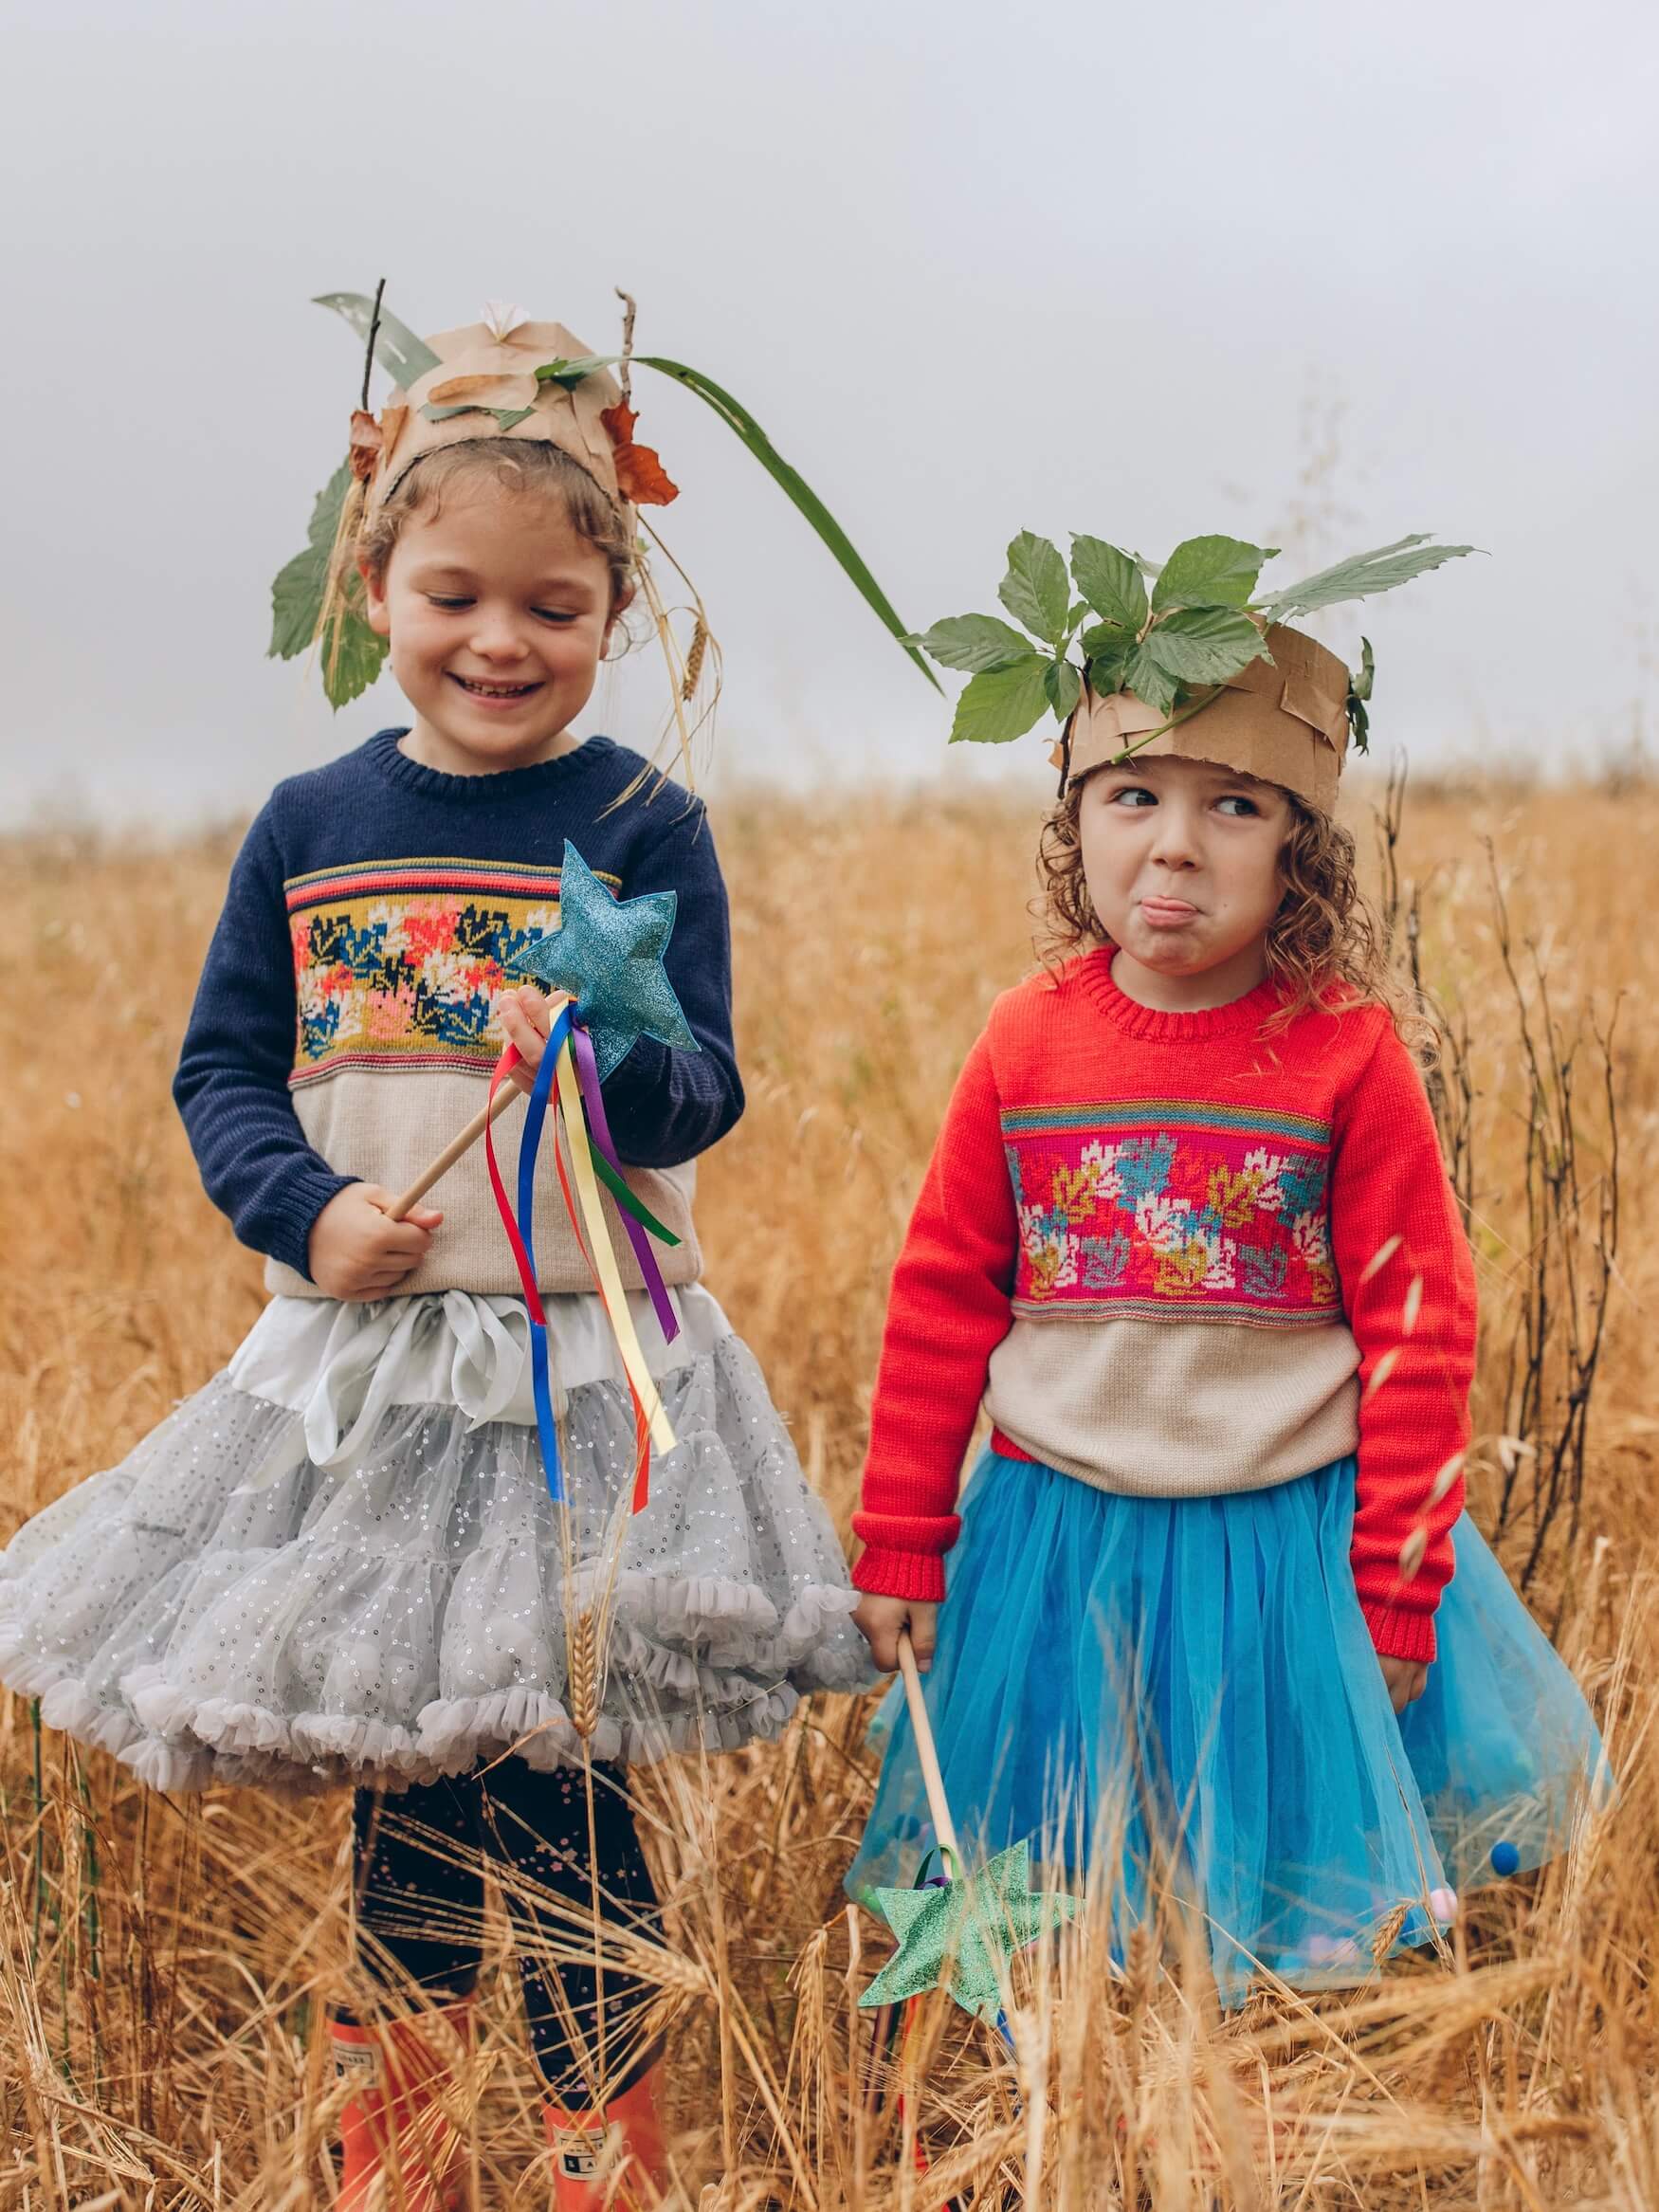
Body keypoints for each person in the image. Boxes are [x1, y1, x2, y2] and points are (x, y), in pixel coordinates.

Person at [0, 302, 884, 2208]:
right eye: (455, 595)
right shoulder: (314, 827)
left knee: (565, 1788)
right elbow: (225, 1064)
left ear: (611, 611)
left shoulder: (644, 821)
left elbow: (697, 1085)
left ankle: (598, 2159)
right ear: (372, 583)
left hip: (582, 1366)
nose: (502, 642)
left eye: (554, 609)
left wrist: (613, 1034)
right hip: (368, 1378)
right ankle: (385, 2160)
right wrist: (307, 1212)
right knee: (410, 1780)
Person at [846, 537, 1606, 2001]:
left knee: (1271, 1888)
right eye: (1133, 796)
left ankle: (1258, 2049)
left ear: (1297, 845)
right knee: (1068, 1891)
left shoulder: (1342, 1051)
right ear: (1077, 819)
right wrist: (900, 1534)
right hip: (1056, 1542)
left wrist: (1394, 1581)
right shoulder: (1025, 1040)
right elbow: (943, 1294)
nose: (1175, 844)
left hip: (1285, 1547)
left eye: (1233, 805)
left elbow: (1416, 1326)